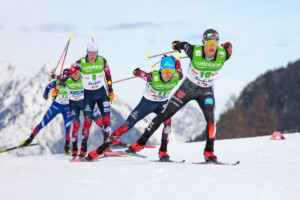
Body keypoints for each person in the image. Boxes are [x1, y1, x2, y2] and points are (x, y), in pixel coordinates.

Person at [127, 29, 232, 162]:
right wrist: (176, 45)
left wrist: (227, 44)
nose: (212, 46)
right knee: (166, 114)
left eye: (215, 43)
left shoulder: (224, 54)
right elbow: (184, 45)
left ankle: (209, 152)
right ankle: (141, 142)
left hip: (206, 91)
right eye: (209, 43)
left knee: (211, 119)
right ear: (203, 43)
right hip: (188, 87)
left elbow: (229, 47)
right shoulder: (195, 51)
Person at [84, 56, 183, 161]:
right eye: (166, 71)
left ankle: (163, 151)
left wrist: (174, 58)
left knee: (167, 126)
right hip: (147, 104)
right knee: (127, 126)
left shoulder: (177, 76)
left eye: (171, 71)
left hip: (162, 105)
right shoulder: (152, 77)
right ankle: (102, 148)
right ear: (161, 70)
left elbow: (178, 66)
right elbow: (140, 73)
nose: (169, 74)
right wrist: (136, 72)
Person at [59, 42, 114, 158]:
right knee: (88, 122)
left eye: (95, 53)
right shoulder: (80, 63)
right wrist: (58, 87)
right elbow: (68, 74)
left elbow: (108, 75)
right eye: (90, 53)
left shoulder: (102, 61)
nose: (93, 56)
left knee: (107, 121)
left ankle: (106, 146)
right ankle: (83, 148)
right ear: (86, 53)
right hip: (88, 95)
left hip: (101, 93)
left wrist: (110, 90)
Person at [19, 69, 72, 154]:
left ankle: (67, 146)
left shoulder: (72, 83)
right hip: (56, 106)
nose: (66, 80)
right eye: (65, 78)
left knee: (68, 127)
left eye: (68, 78)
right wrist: (45, 94)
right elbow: (48, 86)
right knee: (42, 123)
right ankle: (29, 139)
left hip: (67, 108)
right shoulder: (57, 82)